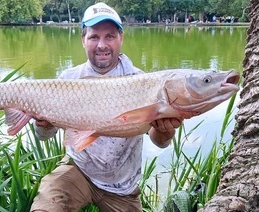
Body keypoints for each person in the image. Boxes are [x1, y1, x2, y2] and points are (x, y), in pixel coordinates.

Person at [30, 2, 183, 211]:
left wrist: (165, 133)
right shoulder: (68, 80)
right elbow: (43, 136)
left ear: (121, 38)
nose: (102, 45)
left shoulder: (141, 81)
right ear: (83, 40)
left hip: (122, 186)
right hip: (78, 170)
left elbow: (159, 142)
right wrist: (44, 124)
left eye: (109, 36)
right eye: (94, 37)